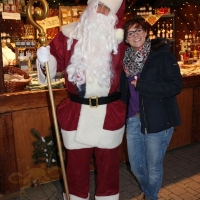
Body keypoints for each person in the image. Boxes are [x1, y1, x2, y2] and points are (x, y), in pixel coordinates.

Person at [36, 0, 126, 200]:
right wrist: (45, 60)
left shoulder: (120, 39)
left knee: (109, 170)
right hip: (77, 114)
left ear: (115, 14)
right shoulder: (68, 35)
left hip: (108, 114)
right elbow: (53, 62)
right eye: (99, 5)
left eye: (107, 9)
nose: (101, 11)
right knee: (75, 170)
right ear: (91, 6)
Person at [123, 19, 182, 200]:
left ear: (146, 32)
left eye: (139, 30)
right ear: (126, 39)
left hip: (158, 120)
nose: (136, 35)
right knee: (136, 167)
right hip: (133, 119)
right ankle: (150, 194)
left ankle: (150, 197)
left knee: (154, 167)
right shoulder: (125, 61)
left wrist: (142, 85)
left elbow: (175, 86)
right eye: (130, 33)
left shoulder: (162, 56)